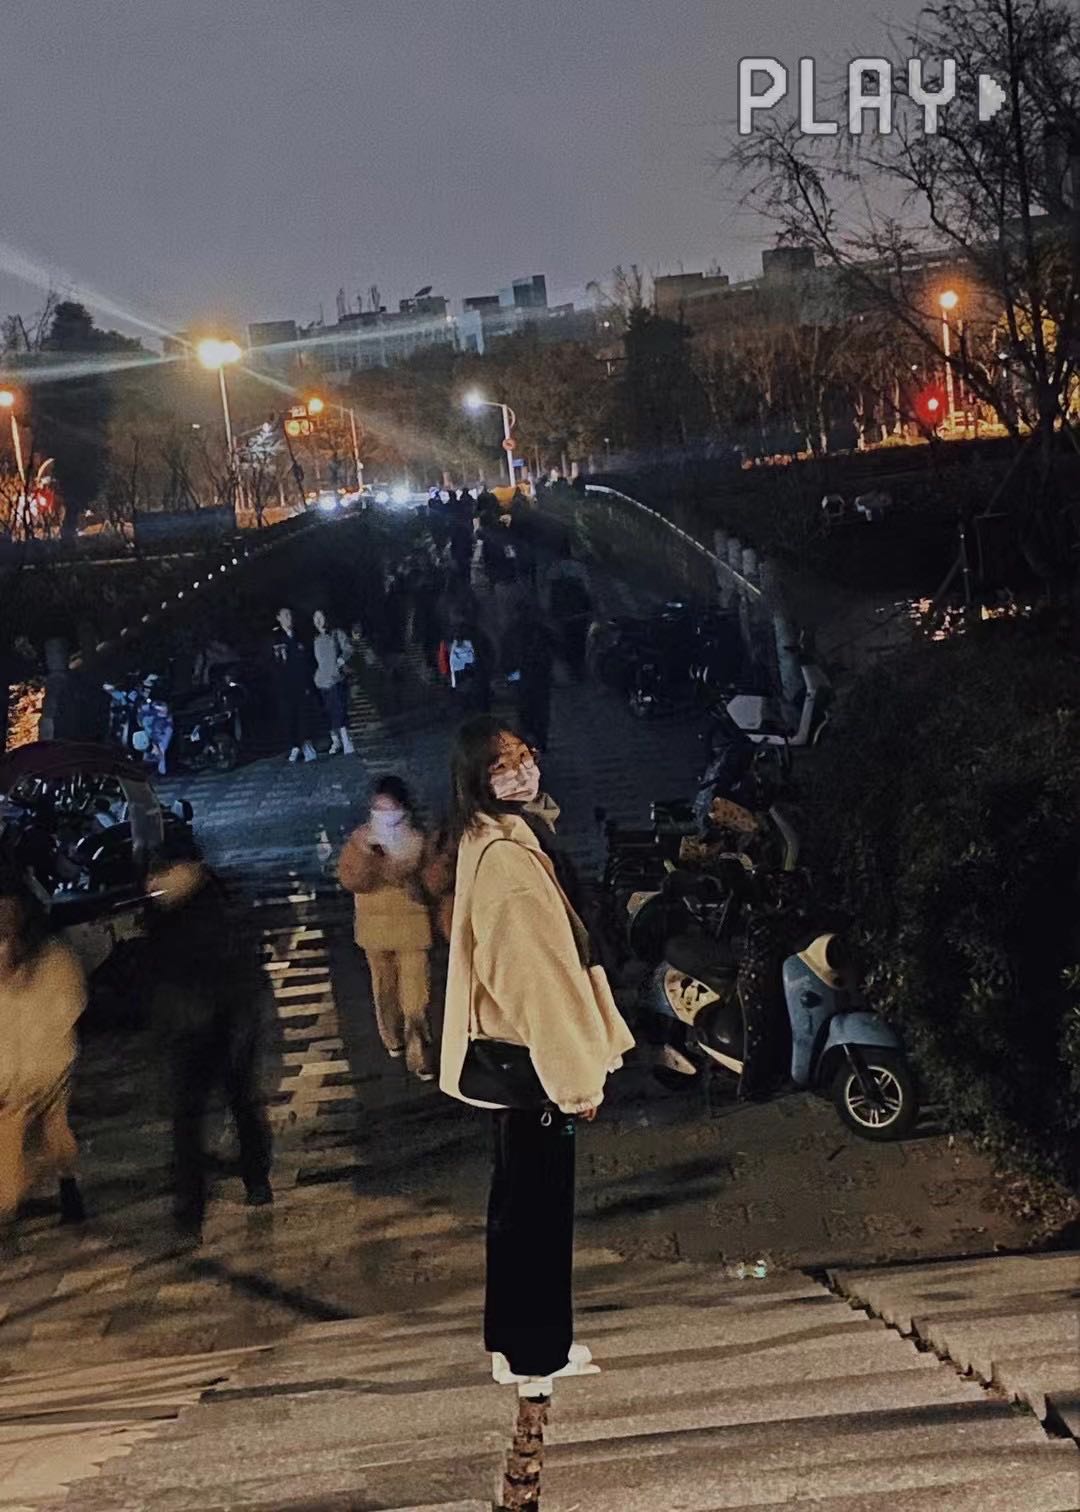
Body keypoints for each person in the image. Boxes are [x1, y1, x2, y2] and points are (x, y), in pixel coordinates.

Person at [440, 718, 634, 1394]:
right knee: (540, 1212)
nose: (522, 771)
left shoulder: (495, 839)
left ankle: (515, 1342)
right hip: (534, 1062)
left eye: (524, 756)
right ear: (476, 780)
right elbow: (537, 981)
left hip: (516, 1059)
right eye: (502, 765)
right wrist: (574, 1082)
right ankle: (536, 1353)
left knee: (517, 1205)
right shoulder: (510, 862)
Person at [146, 838, 272, 1239]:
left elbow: (239, 973)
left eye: (165, 872)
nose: (156, 883)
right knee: (190, 1119)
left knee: (237, 1104)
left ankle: (253, 1178)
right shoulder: (165, 911)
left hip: (223, 1025)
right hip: (189, 1029)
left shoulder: (217, 907)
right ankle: (191, 1211)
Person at [338, 777, 452, 1082]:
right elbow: (350, 880)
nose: (384, 815)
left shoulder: (419, 840)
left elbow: (433, 883)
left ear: (403, 808)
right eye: (378, 809)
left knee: (417, 995)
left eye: (389, 808)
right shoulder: (361, 841)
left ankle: (419, 1048)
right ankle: (392, 1038)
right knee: (384, 989)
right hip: (374, 932)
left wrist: (414, 874)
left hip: (412, 928)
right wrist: (371, 858)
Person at [0, 871, 87, 1236]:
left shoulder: (47, 955)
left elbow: (66, 1002)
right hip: (35, 1062)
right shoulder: (51, 951)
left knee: (17, 1132)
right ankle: (67, 1190)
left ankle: (9, 1205)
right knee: (50, 1128)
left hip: (33, 1063)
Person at [502, 595, 556, 752]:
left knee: (530, 711)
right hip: (535, 677)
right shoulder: (536, 630)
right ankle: (537, 741)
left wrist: (511, 680)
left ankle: (534, 741)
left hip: (531, 678)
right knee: (536, 712)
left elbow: (506, 661)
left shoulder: (513, 632)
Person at [272, 607, 317, 762]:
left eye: (290, 615)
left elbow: (307, 661)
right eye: (285, 615)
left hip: (301, 684)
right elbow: (274, 664)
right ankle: (293, 746)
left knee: (303, 716)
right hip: (284, 686)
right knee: (288, 717)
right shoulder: (276, 639)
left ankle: (306, 744)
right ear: (279, 618)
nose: (288, 618)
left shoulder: (300, 637)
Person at [312, 609, 354, 755]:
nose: (318, 621)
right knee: (328, 712)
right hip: (321, 682)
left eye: (321, 617)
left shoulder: (337, 634)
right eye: (315, 618)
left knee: (339, 710)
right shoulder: (315, 639)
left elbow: (348, 649)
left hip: (336, 679)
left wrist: (342, 660)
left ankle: (346, 740)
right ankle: (336, 741)